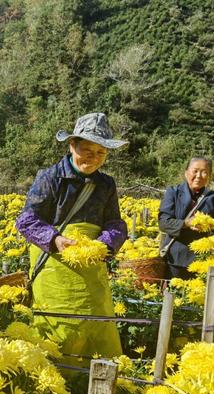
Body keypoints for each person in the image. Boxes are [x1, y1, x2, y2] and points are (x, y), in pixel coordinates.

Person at [15, 112, 128, 361]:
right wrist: (55, 240)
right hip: (55, 269)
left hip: (91, 268)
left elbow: (116, 224)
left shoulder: (106, 184)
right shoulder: (50, 177)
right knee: (57, 332)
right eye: (87, 150)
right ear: (72, 145)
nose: (94, 158)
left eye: (101, 153)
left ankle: (96, 383)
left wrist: (104, 244)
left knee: (96, 325)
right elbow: (26, 221)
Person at [158, 157, 214, 279]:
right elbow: (163, 223)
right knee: (172, 295)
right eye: (195, 171)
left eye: (204, 172)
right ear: (186, 173)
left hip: (203, 260)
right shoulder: (173, 192)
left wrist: (211, 225)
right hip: (176, 260)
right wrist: (186, 223)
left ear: (209, 176)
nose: (199, 176)